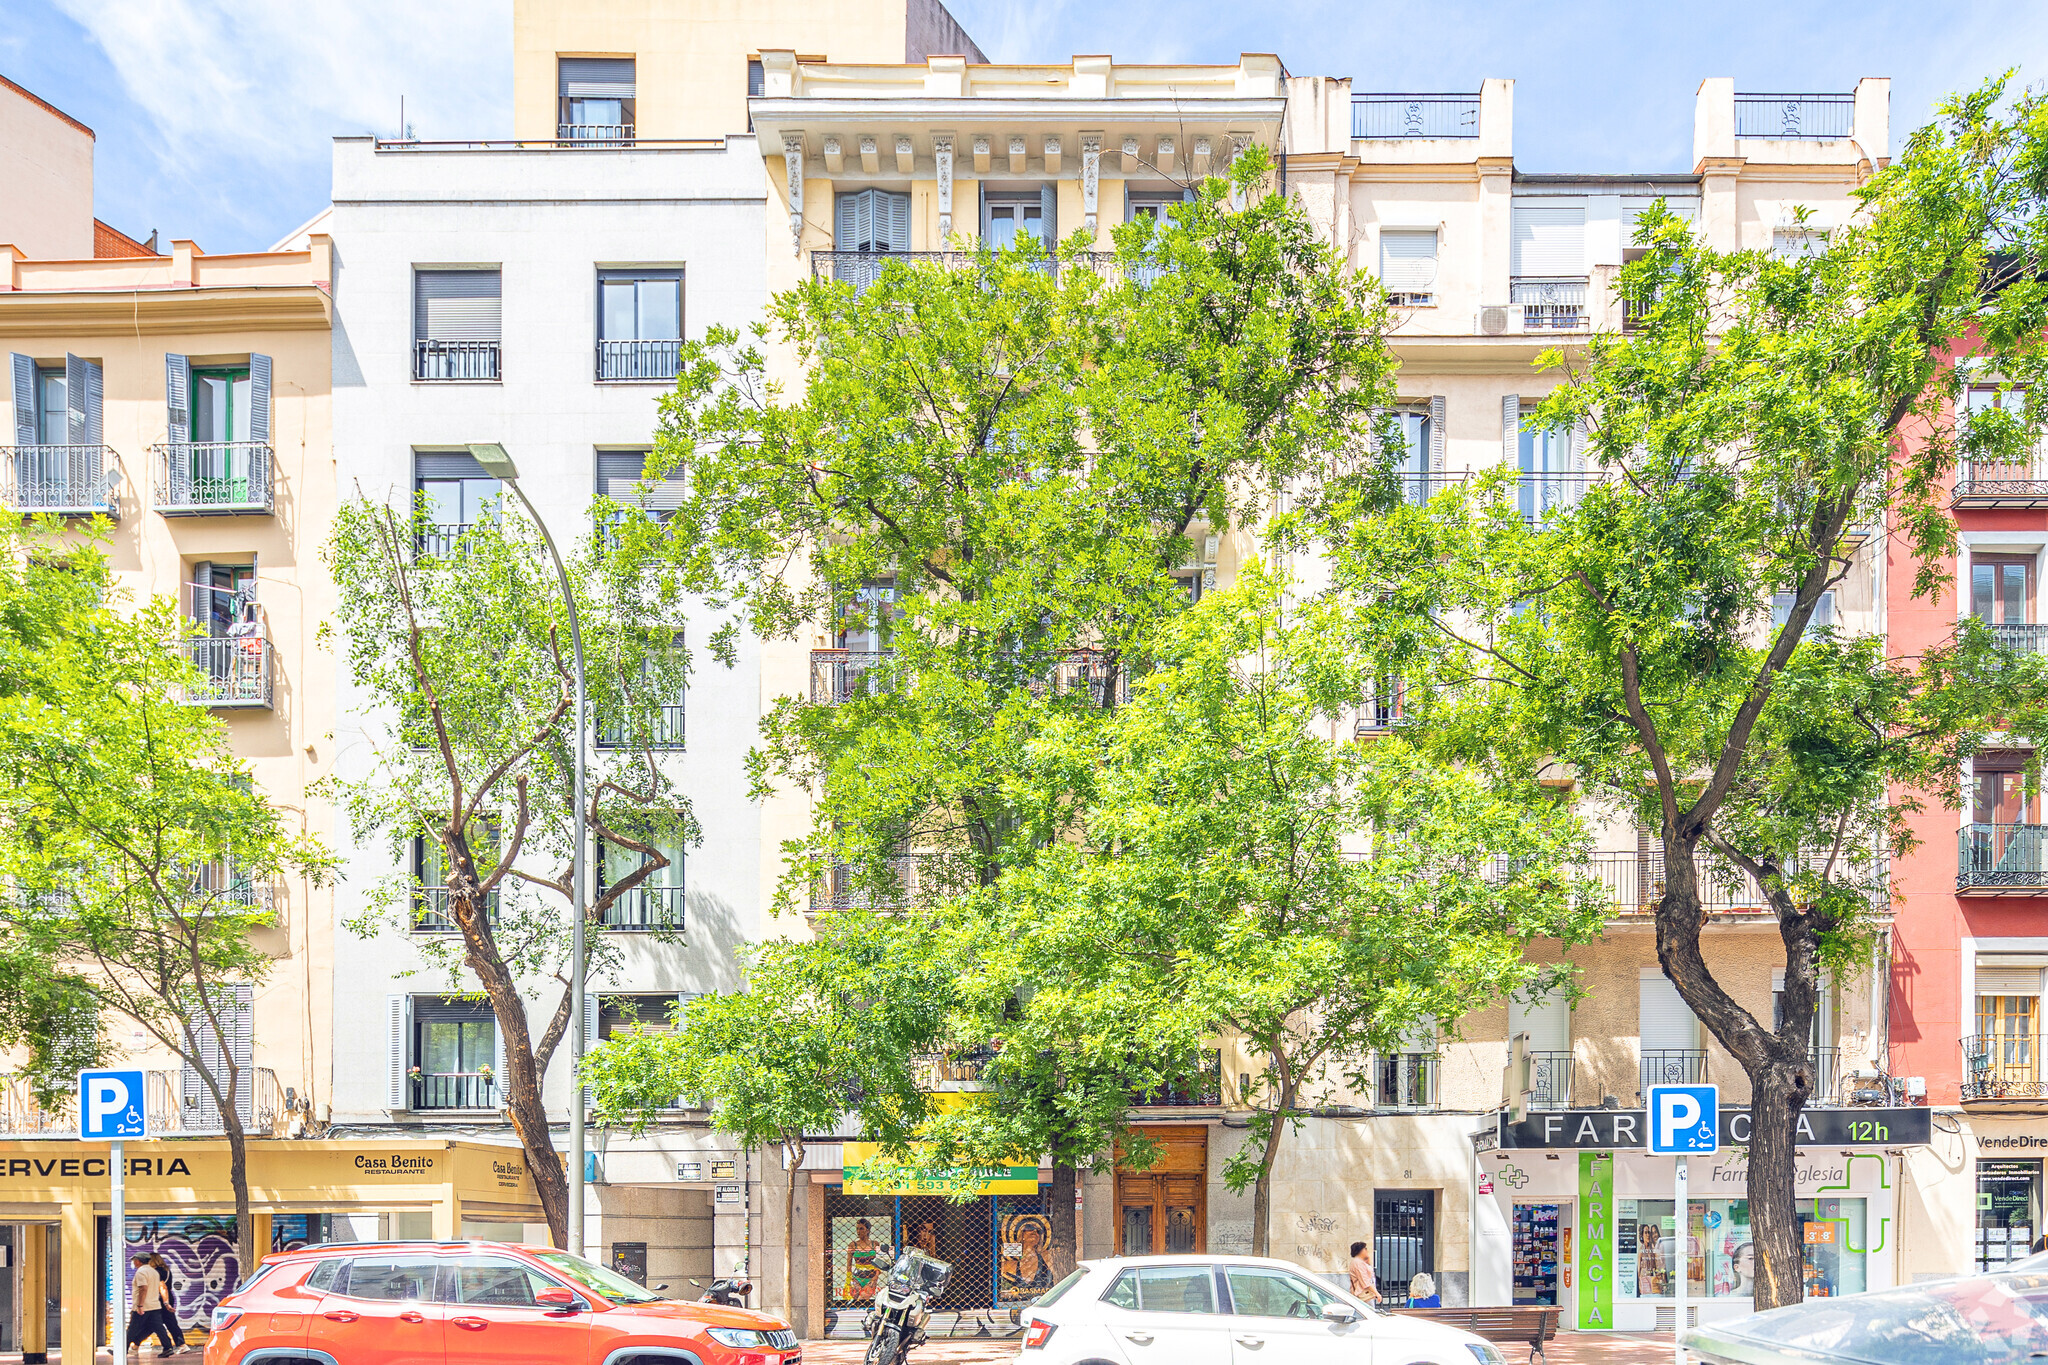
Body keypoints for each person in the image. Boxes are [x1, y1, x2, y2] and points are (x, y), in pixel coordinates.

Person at [126, 1253, 176, 1357]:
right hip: (155, 1305)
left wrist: (140, 1305)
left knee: (132, 1328)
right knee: (159, 1328)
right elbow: (162, 1287)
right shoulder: (154, 1272)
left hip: (144, 1306)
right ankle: (168, 1347)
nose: (133, 1262)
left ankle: (122, 1349)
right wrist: (165, 1303)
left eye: (134, 1260)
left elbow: (143, 1288)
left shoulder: (141, 1272)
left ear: (139, 1261)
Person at [149, 1253, 187, 1352]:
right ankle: (181, 1344)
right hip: (169, 1297)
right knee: (171, 1322)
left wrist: (165, 1303)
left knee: (152, 1322)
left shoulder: (155, 1272)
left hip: (160, 1298)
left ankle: (134, 1345)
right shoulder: (167, 1271)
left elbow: (162, 1287)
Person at [846, 1219, 883, 1302]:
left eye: (861, 1228)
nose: (858, 1231)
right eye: (857, 1229)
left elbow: (879, 1263)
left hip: (871, 1277)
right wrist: (849, 1280)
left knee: (862, 1298)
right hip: (856, 1278)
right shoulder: (852, 1245)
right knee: (855, 1301)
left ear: (868, 1230)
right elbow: (849, 1265)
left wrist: (876, 1277)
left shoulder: (875, 1244)